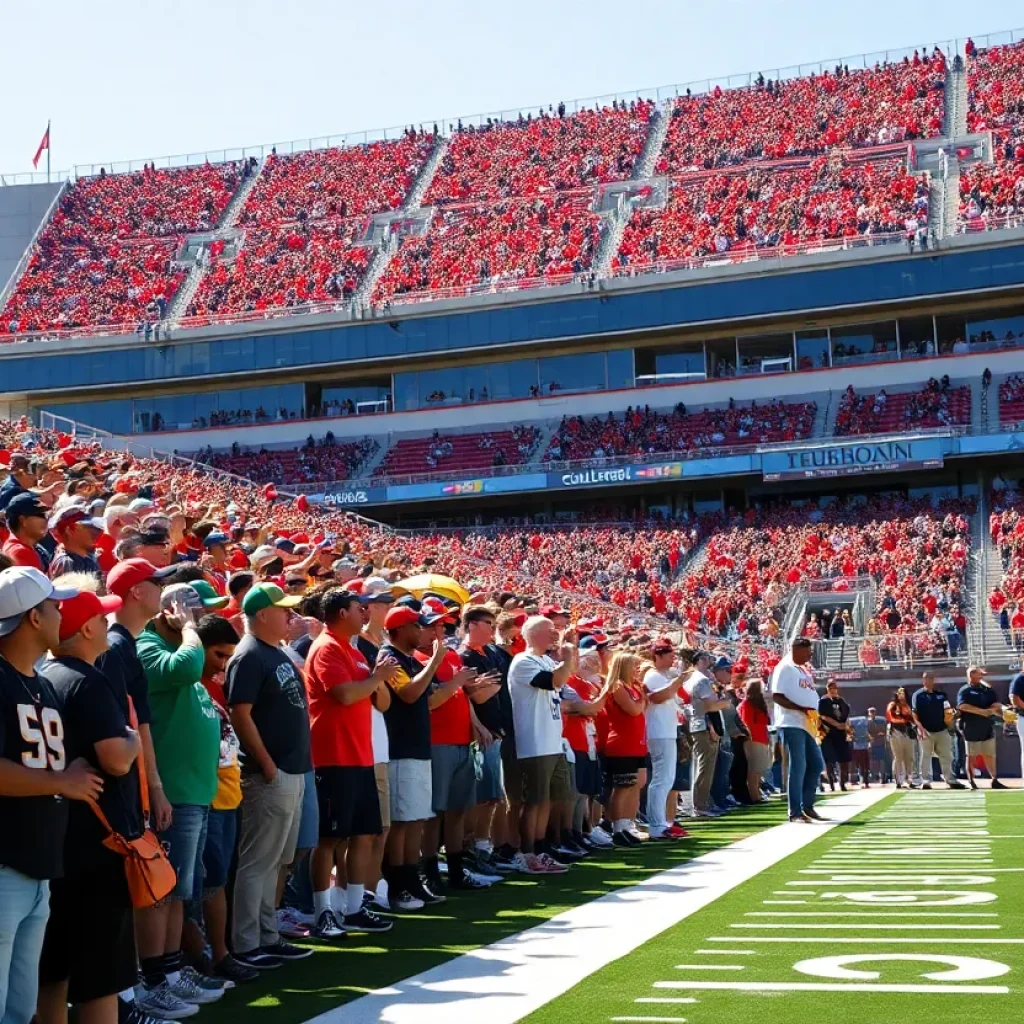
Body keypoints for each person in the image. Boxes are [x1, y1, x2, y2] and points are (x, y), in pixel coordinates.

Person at [38, 586, 146, 1024]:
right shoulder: (86, 678)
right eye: (102, 618)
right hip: (99, 846)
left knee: (54, 971)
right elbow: (117, 759)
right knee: (101, 978)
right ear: (85, 628)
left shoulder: (45, 674)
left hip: (56, 839)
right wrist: (135, 740)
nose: (107, 623)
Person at [0, 567, 101, 1024]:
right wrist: (61, 782)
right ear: (33, 618)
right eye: (54, 606)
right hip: (5, 864)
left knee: (20, 1009)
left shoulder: (39, 683)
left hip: (39, 865)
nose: (62, 614)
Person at [135, 583, 224, 1016]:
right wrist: (189, 632)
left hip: (194, 792)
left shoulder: (180, 651)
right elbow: (185, 669)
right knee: (161, 894)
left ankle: (170, 972)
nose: (201, 620)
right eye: (195, 612)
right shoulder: (148, 646)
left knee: (177, 893)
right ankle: (153, 979)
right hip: (171, 793)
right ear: (168, 610)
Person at [226, 582, 313, 968]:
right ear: (262, 614)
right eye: (284, 610)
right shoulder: (248, 655)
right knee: (258, 861)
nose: (291, 617)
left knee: (276, 860)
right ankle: (247, 944)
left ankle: (266, 934)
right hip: (269, 772)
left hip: (290, 768)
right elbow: (239, 712)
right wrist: (264, 761)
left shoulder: (272, 652)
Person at [304, 588, 396, 938]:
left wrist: (377, 678)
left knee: (362, 834)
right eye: (360, 609)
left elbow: (381, 702)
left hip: (360, 755)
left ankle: (355, 907)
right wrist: (375, 678)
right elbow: (343, 694)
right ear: (343, 613)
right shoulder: (327, 647)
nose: (365, 614)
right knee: (329, 838)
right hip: (333, 756)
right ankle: (322, 911)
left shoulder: (354, 651)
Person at [191, 614, 257, 984]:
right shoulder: (186, 685)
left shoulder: (214, 688)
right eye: (217, 654)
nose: (223, 664)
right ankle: (207, 957)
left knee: (219, 881)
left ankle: (219, 952)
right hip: (207, 799)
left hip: (229, 795)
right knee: (206, 885)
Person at [377, 603, 446, 909]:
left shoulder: (410, 660)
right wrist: (434, 662)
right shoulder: (389, 657)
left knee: (416, 818)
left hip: (417, 746)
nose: (422, 631)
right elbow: (408, 694)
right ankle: (399, 884)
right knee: (403, 821)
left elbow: (428, 698)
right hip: (400, 747)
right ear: (402, 629)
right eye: (417, 626)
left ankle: (412, 879)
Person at [508, 615, 576, 874]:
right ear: (533, 634)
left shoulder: (547, 659)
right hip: (534, 742)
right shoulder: (523, 661)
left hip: (552, 740)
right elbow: (553, 681)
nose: (554, 634)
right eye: (550, 630)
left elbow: (566, 682)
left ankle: (541, 848)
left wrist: (571, 650)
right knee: (534, 801)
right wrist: (567, 657)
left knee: (548, 800)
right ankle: (527, 853)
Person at [769, 637, 826, 823]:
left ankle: (807, 806)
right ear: (796, 649)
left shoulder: (801, 669)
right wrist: (801, 709)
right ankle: (795, 812)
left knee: (816, 764)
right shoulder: (784, 667)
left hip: (806, 724)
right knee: (798, 765)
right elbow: (777, 696)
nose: (810, 655)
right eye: (807, 651)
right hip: (791, 722)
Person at [602, 652, 648, 847]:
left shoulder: (634, 687)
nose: (637, 669)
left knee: (635, 784)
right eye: (634, 666)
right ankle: (618, 827)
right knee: (622, 786)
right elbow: (634, 710)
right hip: (622, 744)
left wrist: (642, 700)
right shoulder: (617, 687)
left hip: (636, 743)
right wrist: (643, 700)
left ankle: (628, 823)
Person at [641, 638, 685, 839]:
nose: (673, 659)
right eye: (669, 656)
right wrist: (679, 681)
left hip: (666, 731)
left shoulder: (663, 676)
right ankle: (656, 824)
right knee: (661, 779)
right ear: (657, 656)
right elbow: (658, 697)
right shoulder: (653, 675)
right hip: (658, 732)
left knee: (666, 779)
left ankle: (661, 822)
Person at [685, 650, 727, 818]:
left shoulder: (692, 679)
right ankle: (700, 805)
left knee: (702, 766)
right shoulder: (701, 680)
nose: (710, 661)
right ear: (700, 661)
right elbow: (710, 706)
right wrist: (726, 701)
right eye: (707, 659)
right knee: (705, 767)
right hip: (703, 725)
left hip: (697, 724)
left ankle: (702, 802)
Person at [911, 671, 964, 789]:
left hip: (942, 729)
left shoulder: (941, 695)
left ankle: (950, 779)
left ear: (933, 680)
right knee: (925, 756)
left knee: (947, 755)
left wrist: (953, 716)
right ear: (923, 680)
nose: (928, 681)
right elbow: (914, 713)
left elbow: (948, 711)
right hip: (926, 730)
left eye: (930, 678)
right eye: (926, 678)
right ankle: (925, 781)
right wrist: (920, 728)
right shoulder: (918, 695)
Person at [957, 666, 1007, 789]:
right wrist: (982, 712)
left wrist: (1003, 711)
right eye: (979, 674)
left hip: (987, 726)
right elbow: (962, 706)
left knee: (989, 754)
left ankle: (994, 779)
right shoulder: (965, 690)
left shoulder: (987, 689)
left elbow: (995, 703)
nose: (982, 676)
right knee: (971, 755)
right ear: (971, 675)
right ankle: (971, 780)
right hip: (971, 726)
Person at [46, 504, 105, 579]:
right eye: (87, 527)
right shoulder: (67, 563)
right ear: (69, 531)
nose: (94, 532)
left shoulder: (89, 557)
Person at [737, 679, 771, 804]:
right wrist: (750, 737)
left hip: (762, 738)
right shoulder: (747, 704)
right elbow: (747, 723)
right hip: (753, 739)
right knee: (753, 768)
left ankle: (757, 793)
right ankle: (754, 795)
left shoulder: (758, 704)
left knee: (759, 769)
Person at [1, 493, 51, 572]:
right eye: (41, 515)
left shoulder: (33, 546)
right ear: (23, 520)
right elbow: (35, 584)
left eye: (47, 515)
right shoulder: (20, 552)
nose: (46, 519)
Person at [818, 681, 851, 791]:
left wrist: (844, 725)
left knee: (843, 760)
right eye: (832, 688)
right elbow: (823, 716)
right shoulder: (823, 701)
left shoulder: (840, 700)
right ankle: (831, 783)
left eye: (835, 688)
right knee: (830, 760)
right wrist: (836, 724)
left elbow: (846, 713)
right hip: (828, 734)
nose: (834, 690)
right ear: (827, 688)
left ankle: (842, 783)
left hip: (841, 733)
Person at [885, 687, 915, 788]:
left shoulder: (908, 706)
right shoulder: (892, 705)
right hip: (895, 732)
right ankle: (898, 780)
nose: (901, 695)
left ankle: (909, 779)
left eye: (903, 693)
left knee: (909, 757)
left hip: (907, 733)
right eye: (900, 693)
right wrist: (905, 719)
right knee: (898, 757)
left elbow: (913, 719)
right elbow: (891, 717)